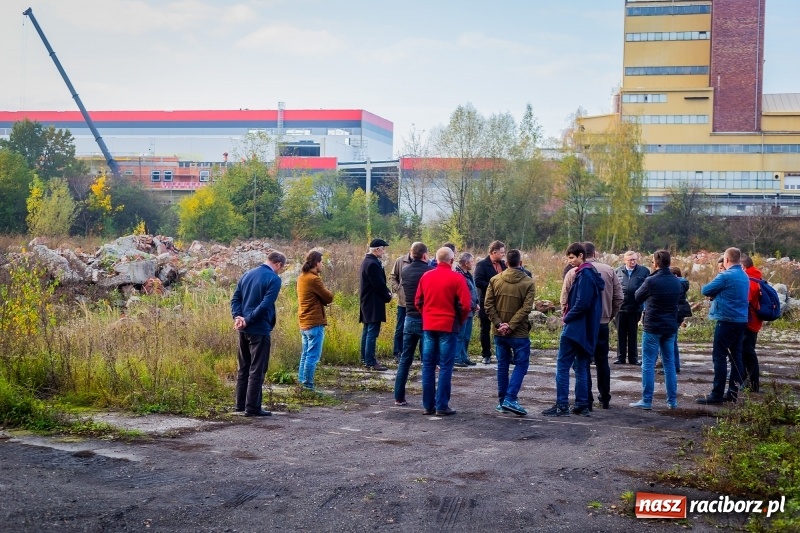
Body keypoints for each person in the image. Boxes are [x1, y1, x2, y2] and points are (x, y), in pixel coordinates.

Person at [543, 243, 604, 417]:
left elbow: (582, 303)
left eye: (571, 257)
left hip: (575, 329)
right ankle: (582, 404)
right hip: (587, 330)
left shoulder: (585, 275)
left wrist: (566, 318)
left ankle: (562, 405)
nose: (569, 261)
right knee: (582, 366)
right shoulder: (591, 274)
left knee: (563, 366)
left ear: (581, 256)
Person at [561, 242, 622, 409]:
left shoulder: (574, 272)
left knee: (583, 362)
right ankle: (605, 397)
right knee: (602, 361)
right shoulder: (609, 270)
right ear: (594, 253)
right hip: (602, 322)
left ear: (582, 254)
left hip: (581, 324)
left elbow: (564, 300)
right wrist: (610, 315)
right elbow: (619, 297)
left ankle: (586, 399)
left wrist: (567, 318)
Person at [415, 247, 472, 416]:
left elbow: (418, 301)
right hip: (448, 325)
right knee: (446, 366)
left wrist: (426, 316)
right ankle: (441, 405)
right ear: (452, 261)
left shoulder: (426, 276)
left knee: (428, 366)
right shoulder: (457, 278)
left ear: (436, 260)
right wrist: (459, 320)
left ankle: (428, 405)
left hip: (429, 325)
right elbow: (466, 305)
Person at [231, 251, 287, 416]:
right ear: (278, 264)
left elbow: (235, 299)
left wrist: (238, 317)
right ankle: (253, 407)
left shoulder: (247, 274)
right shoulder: (274, 279)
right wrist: (247, 319)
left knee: (244, 367)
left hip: (243, 329)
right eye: (281, 268)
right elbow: (265, 305)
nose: (280, 271)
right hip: (259, 328)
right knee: (257, 368)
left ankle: (240, 404)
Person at [484, 249, 536, 415]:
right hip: (519, 333)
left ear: (506, 263)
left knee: (502, 366)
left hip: (499, 332)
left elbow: (488, 305)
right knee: (521, 364)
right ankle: (510, 398)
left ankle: (502, 401)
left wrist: (500, 324)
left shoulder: (494, 280)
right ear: (520, 263)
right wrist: (511, 325)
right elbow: (526, 308)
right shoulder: (528, 282)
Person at [629, 250, 683, 410]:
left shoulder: (651, 280)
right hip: (670, 326)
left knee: (648, 363)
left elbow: (638, 296)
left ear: (656, 263)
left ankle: (647, 400)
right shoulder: (676, 281)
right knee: (669, 364)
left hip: (653, 326)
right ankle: (672, 401)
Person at [696, 247, 749, 404]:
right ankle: (733, 391)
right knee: (736, 356)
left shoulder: (726, 275)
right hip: (741, 320)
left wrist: (717, 293)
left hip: (727, 320)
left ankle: (717, 393)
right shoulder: (744, 275)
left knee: (719, 355)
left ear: (726, 260)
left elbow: (705, 290)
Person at [393, 242, 433, 406]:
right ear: (424, 255)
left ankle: (399, 396)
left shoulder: (405, 270)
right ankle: (428, 400)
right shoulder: (430, 272)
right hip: (425, 319)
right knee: (427, 361)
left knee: (405, 359)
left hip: (409, 317)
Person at [296, 250, 334, 391]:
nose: (322, 265)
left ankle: (301, 382)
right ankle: (307, 385)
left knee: (305, 354)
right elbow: (328, 297)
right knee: (313, 356)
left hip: (304, 321)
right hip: (314, 322)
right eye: (322, 262)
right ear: (316, 263)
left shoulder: (301, 277)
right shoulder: (314, 279)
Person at [359, 238, 392, 371]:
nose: (384, 251)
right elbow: (378, 284)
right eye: (383, 249)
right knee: (372, 332)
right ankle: (370, 361)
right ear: (377, 249)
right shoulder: (372, 263)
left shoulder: (367, 261)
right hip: (373, 302)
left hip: (367, 301)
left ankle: (365, 359)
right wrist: (388, 295)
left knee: (367, 331)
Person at [474, 241, 507, 364]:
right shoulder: (482, 265)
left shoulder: (503, 265)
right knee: (485, 329)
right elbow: (478, 281)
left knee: (502, 327)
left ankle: (504, 354)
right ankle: (486, 355)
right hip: (486, 302)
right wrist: (494, 286)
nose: (503, 255)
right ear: (494, 252)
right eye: (502, 252)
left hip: (501, 302)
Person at [614, 251, 649, 365]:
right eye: (630, 260)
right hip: (621, 308)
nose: (633, 262)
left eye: (634, 259)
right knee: (621, 333)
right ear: (625, 260)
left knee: (633, 333)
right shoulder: (617, 271)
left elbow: (647, 287)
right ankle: (621, 357)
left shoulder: (643, 271)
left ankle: (633, 358)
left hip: (636, 307)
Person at [390, 244, 415, 363]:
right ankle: (397, 353)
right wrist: (397, 288)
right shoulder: (400, 261)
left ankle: (414, 353)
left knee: (418, 329)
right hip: (403, 301)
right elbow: (392, 276)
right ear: (410, 250)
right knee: (400, 328)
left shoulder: (424, 262)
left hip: (417, 303)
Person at [742, 254, 763, 392]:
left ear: (743, 267)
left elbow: (745, 300)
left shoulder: (750, 281)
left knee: (748, 352)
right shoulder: (757, 277)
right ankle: (748, 381)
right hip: (754, 320)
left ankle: (753, 383)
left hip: (749, 321)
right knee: (747, 351)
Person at [454, 253, 479, 367]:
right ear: (466, 263)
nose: (473, 263)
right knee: (460, 335)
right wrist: (470, 305)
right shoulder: (459, 275)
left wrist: (476, 303)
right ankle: (457, 357)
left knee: (466, 335)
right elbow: (461, 294)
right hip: (463, 310)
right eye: (472, 261)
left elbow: (473, 290)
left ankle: (464, 356)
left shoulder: (468, 274)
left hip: (471, 309)